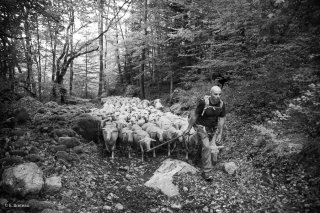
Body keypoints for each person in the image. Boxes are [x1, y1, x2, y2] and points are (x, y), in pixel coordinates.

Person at [183, 85, 226, 181]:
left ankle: (195, 159)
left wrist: (220, 134)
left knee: (203, 146)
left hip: (213, 129)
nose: (218, 96)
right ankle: (206, 172)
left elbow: (222, 119)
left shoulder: (221, 104)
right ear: (211, 94)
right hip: (201, 127)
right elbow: (195, 115)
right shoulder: (203, 103)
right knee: (206, 146)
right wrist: (188, 128)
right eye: (215, 94)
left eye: (220, 94)